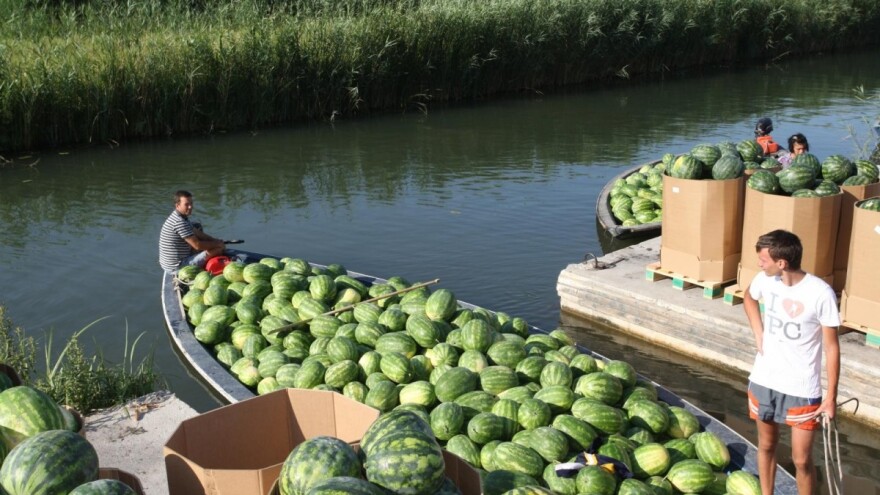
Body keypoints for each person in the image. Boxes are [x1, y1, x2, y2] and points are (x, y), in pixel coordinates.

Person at [743, 230, 840, 495]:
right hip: (764, 380)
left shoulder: (820, 293)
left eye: (763, 260)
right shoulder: (764, 280)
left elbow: (832, 347)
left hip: (802, 388)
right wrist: (758, 332)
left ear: (781, 263)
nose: (760, 264)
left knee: (801, 460)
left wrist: (830, 398)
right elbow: (749, 297)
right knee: (765, 446)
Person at [158, 190, 226, 273]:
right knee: (218, 249)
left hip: (170, 263)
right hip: (177, 267)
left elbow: (197, 232)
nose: (190, 207)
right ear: (177, 205)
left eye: (191, 203)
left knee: (199, 230)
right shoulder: (179, 222)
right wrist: (217, 244)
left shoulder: (178, 216)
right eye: (186, 204)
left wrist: (214, 240)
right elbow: (197, 245)